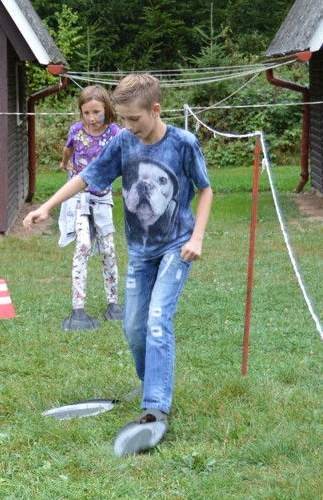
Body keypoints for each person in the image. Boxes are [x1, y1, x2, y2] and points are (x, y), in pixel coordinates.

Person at [24, 74, 213, 455]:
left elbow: (205, 189)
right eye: (123, 118)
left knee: (158, 318)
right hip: (140, 250)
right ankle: (150, 384)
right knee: (133, 326)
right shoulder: (124, 142)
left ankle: (156, 404)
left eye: (134, 119)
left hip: (177, 246)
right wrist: (47, 206)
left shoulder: (183, 143)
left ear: (155, 110)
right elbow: (86, 176)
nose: (127, 125)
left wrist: (197, 237)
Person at [58, 85, 123, 331]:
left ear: (106, 108)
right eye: (86, 113)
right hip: (78, 196)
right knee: (83, 245)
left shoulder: (115, 132)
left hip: (102, 197)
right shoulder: (76, 130)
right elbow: (68, 148)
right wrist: (65, 163)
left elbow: (123, 156)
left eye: (96, 112)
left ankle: (113, 303)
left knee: (108, 249)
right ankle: (78, 308)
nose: (91, 118)